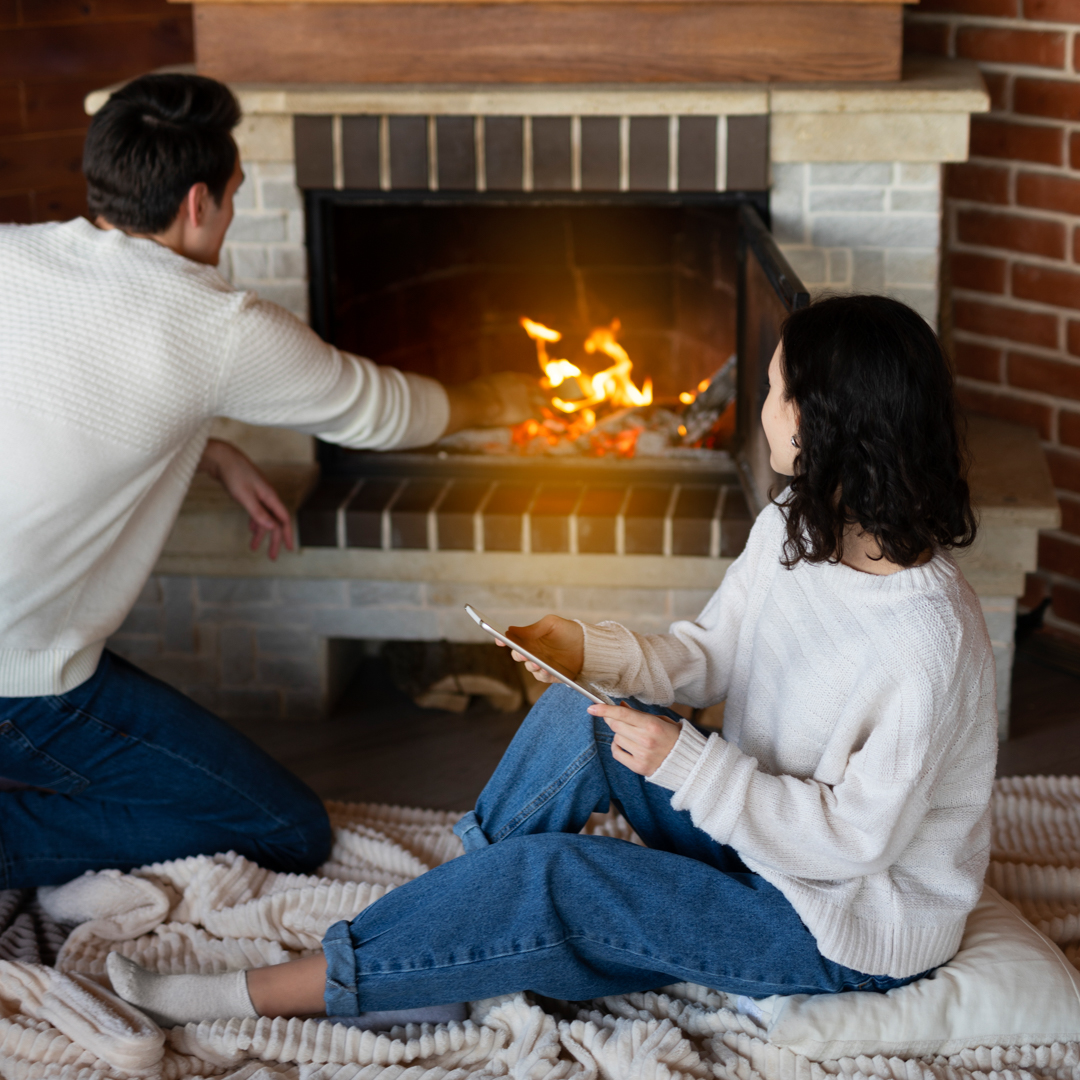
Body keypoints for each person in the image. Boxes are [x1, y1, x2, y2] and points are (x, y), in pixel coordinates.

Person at [106, 294, 998, 1029]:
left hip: (841, 926)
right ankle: (445, 932)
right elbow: (713, 657)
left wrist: (688, 763)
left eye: (774, 390)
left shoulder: (928, 639)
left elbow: (855, 845)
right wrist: (589, 648)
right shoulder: (795, 528)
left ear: (830, 425)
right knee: (584, 714)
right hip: (762, 844)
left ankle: (282, 989)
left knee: (555, 879)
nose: (761, 408)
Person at [0, 72, 541, 889]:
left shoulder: (12, 251)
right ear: (198, 203)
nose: (232, 213)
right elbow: (385, 410)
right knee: (286, 829)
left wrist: (209, 448)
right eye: (236, 194)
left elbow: (57, 406)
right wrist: (494, 399)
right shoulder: (216, 325)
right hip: (17, 683)